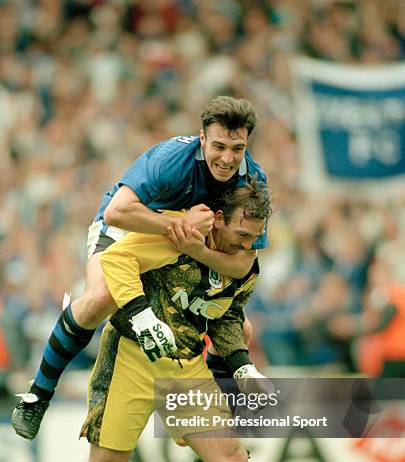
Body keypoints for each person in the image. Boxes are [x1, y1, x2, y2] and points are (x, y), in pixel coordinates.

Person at [30, 182, 339, 462]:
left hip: (187, 367)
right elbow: (117, 259)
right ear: (218, 220)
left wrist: (243, 367)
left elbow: (228, 317)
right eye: (243, 236)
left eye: (256, 238)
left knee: (232, 461)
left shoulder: (244, 265)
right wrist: (140, 317)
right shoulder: (179, 236)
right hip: (132, 359)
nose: (250, 246)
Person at [12, 95, 269, 441]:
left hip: (187, 244)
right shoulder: (171, 159)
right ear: (202, 138)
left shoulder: (254, 180)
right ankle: (38, 394)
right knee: (101, 297)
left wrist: (194, 246)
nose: (227, 159)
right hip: (128, 228)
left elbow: (243, 263)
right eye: (219, 146)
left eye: (237, 149)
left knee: (243, 330)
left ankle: (213, 427)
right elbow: (118, 211)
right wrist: (175, 228)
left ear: (247, 144)